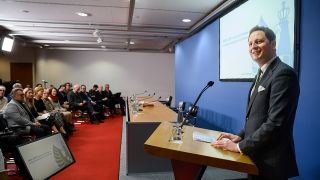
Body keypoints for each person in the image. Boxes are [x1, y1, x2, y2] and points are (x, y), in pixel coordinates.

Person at [212, 26, 300, 180]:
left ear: (273, 44)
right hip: (256, 155)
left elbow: (275, 123)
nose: (253, 47)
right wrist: (239, 136)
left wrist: (239, 147)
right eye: (250, 43)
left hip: (271, 161)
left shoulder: (283, 74)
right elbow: (257, 116)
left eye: (259, 41)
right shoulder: (261, 73)